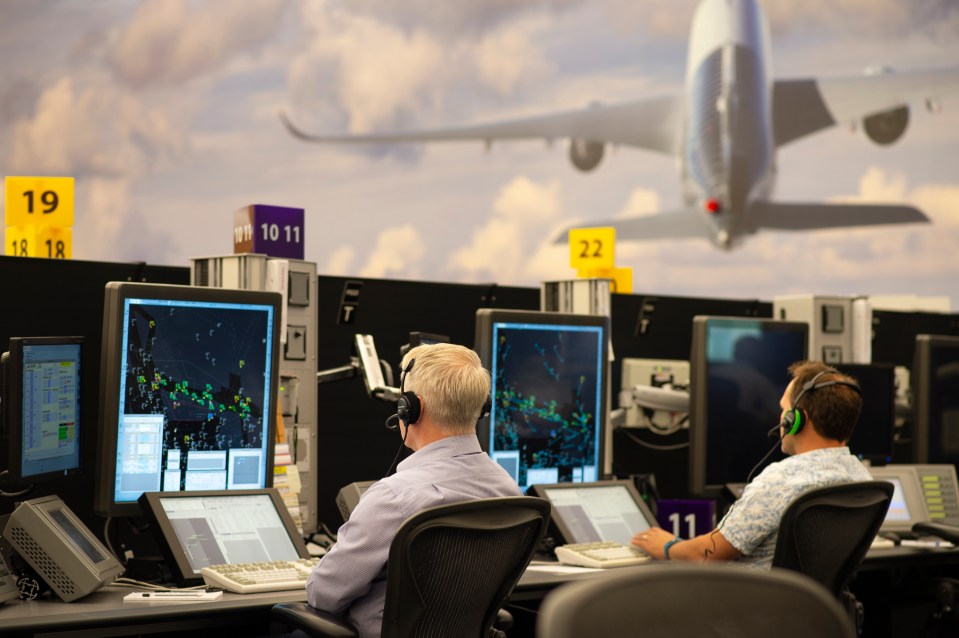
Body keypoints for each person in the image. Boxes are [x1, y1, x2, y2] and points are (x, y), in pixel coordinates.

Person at [305, 343, 522, 637]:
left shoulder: (395, 498)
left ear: (411, 407)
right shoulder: (509, 491)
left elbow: (324, 595)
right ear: (482, 407)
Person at [631, 360, 873, 568]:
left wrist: (668, 545)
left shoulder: (782, 481)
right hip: (816, 612)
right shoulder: (862, 478)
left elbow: (707, 554)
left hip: (751, 611)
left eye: (784, 410)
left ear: (796, 420)